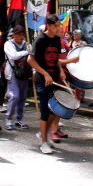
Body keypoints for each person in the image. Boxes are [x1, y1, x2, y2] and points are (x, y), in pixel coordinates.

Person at [27, 14, 66, 154]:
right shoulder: (40, 39)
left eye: (58, 25)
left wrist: (60, 70)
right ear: (48, 26)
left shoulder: (57, 39)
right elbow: (30, 60)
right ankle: (43, 142)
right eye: (55, 26)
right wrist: (45, 74)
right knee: (44, 111)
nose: (58, 28)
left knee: (54, 111)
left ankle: (42, 134)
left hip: (54, 79)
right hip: (42, 80)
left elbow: (55, 58)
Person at [4, 25, 31, 130]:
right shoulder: (8, 44)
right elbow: (13, 55)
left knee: (22, 98)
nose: (21, 36)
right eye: (19, 34)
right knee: (14, 96)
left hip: (25, 74)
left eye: (22, 34)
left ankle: (19, 119)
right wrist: (26, 52)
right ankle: (8, 118)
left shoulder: (27, 45)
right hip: (13, 74)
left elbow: (31, 57)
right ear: (13, 35)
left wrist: (33, 71)